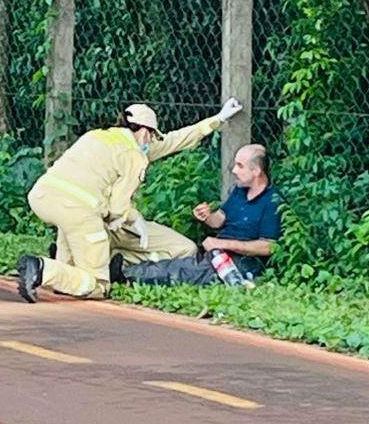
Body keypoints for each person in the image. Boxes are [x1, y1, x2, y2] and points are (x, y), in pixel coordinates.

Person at [16, 99, 243, 302]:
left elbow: (175, 140)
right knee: (98, 285)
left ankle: (72, 266)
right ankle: (41, 269)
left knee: (73, 270)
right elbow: (118, 208)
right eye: (152, 135)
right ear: (145, 132)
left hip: (43, 197)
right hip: (81, 212)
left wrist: (217, 119)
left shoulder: (97, 135)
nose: (151, 141)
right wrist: (136, 220)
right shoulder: (133, 154)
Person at [118, 143, 282, 287]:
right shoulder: (240, 191)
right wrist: (207, 216)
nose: (233, 170)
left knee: (185, 272)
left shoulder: (272, 201)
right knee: (180, 265)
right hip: (218, 254)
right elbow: (219, 221)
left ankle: (125, 275)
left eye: (240, 166)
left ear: (256, 171)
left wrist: (222, 244)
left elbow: (267, 247)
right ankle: (126, 272)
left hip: (242, 262)